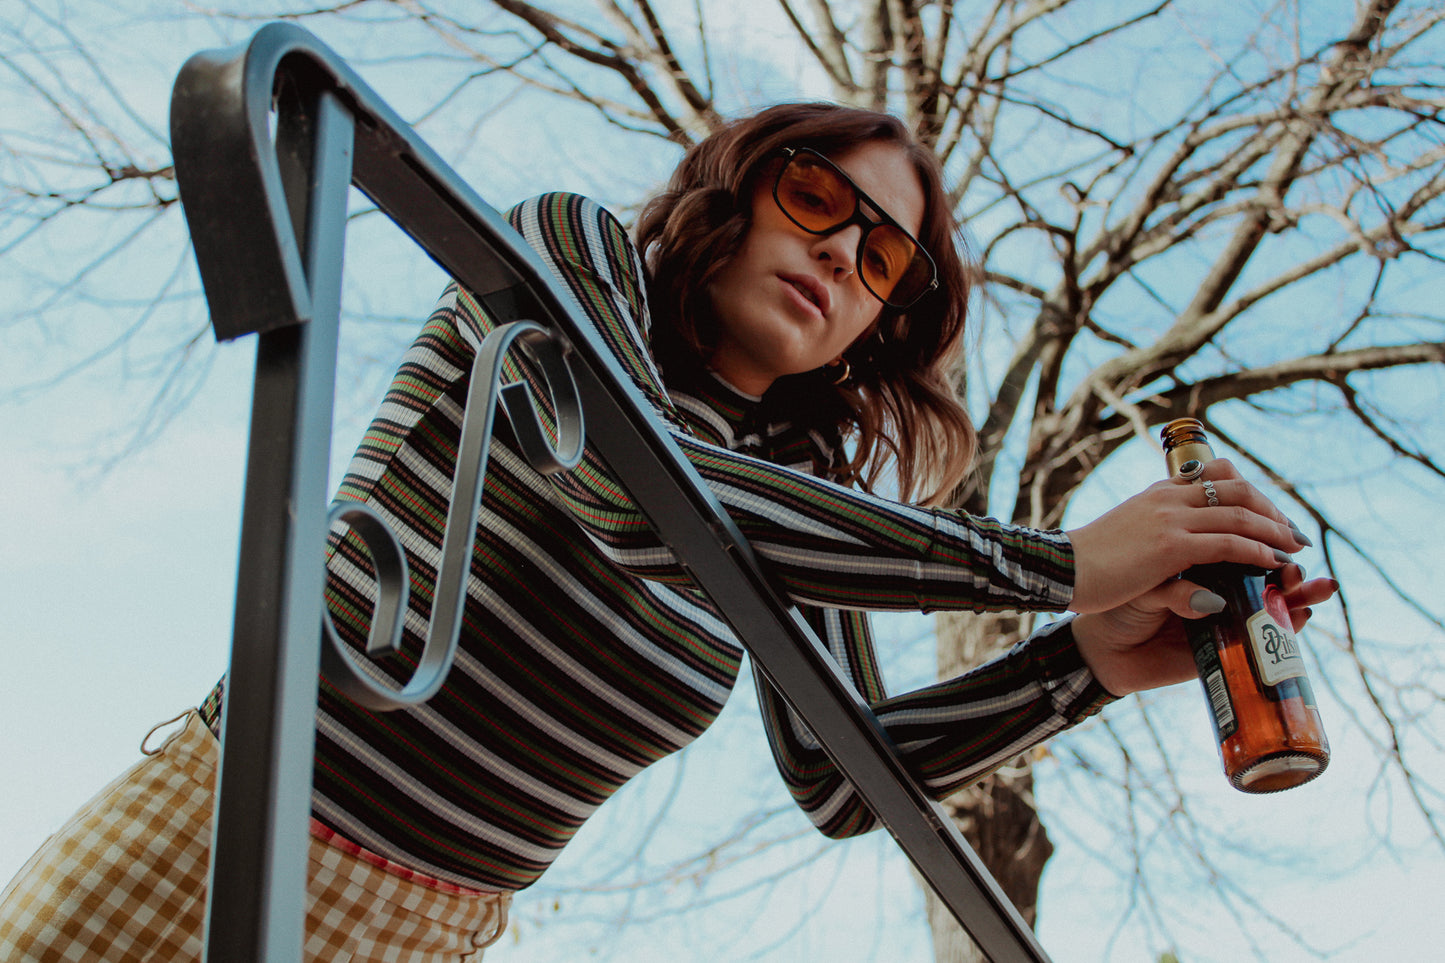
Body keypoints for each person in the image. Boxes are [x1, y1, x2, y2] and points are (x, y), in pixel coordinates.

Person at [0, 102, 1335, 961]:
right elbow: (637, 496)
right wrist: (1051, 565)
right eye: (820, 199)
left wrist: (1086, 661)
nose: (841, 257)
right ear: (742, 185)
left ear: (887, 322)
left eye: (885, 264)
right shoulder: (560, 267)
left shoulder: (794, 507)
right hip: (223, 834)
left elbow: (836, 776)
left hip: (430, 932)